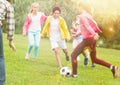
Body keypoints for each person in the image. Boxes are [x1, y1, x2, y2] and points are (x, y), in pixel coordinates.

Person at [71, 8, 118, 78]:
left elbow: (88, 27)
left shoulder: (82, 16)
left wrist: (94, 34)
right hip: (92, 40)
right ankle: (112, 67)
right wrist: (77, 35)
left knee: (73, 55)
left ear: (81, 7)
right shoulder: (89, 16)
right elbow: (85, 29)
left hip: (87, 40)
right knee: (94, 59)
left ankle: (74, 75)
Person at [0, 0, 16, 85]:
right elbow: (10, 24)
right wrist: (11, 40)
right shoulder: (8, 5)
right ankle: (1, 81)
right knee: (0, 57)